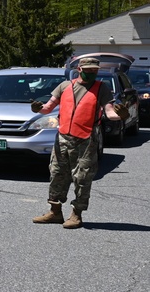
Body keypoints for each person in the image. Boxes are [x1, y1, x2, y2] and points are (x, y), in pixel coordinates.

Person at [31, 57, 127, 228]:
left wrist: (121, 116)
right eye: (88, 69)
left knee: (82, 176)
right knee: (57, 173)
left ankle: (77, 214)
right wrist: (38, 108)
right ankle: (55, 211)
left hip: (86, 139)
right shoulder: (64, 86)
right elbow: (48, 107)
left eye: (95, 70)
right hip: (62, 138)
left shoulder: (101, 88)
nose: (92, 73)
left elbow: (109, 112)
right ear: (79, 69)